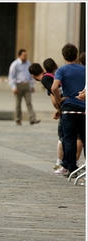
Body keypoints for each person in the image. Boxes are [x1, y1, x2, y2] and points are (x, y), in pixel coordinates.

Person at [29, 59, 83, 172]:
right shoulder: (54, 74)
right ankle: (72, 164)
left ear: (32, 75)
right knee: (80, 137)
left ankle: (67, 165)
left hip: (67, 107)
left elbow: (54, 90)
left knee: (66, 137)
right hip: (80, 105)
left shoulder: (46, 78)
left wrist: (59, 104)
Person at [51, 43, 86, 178]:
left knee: (69, 138)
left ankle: (70, 167)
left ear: (64, 56)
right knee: (84, 138)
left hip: (68, 108)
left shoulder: (62, 70)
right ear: (76, 55)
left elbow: (54, 87)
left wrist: (60, 101)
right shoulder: (84, 69)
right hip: (83, 108)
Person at [8, 49, 40, 125]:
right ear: (19, 56)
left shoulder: (28, 63)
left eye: (26, 55)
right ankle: (18, 118)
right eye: (24, 55)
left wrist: (32, 85)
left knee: (29, 102)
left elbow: (31, 75)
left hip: (26, 85)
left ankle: (32, 118)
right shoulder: (15, 64)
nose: (25, 57)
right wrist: (13, 87)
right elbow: (11, 76)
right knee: (18, 103)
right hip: (18, 85)